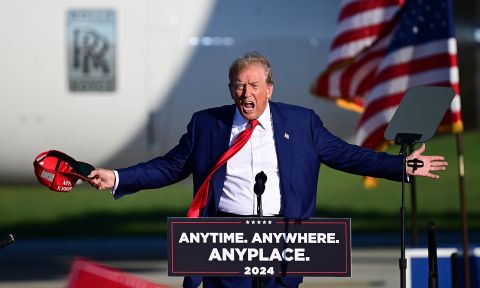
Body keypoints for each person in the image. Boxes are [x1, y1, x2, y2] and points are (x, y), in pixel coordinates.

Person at [88, 51, 447, 288]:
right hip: (225, 243)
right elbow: (170, 167)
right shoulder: (206, 125)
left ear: (269, 89)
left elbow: (349, 156)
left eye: (254, 86)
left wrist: (402, 165)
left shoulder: (302, 123)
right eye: (239, 86)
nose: (247, 94)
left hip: (282, 241)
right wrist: (119, 177)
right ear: (231, 89)